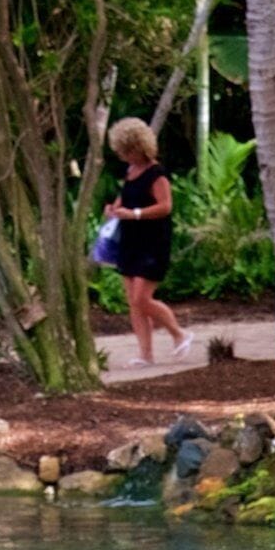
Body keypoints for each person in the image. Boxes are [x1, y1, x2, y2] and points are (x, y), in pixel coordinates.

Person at [103, 119, 183, 369]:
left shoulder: (156, 174)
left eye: (127, 151)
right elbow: (124, 197)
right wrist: (114, 209)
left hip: (152, 241)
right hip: (130, 240)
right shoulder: (130, 172)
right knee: (133, 302)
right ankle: (145, 354)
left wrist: (135, 214)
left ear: (139, 148)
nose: (123, 156)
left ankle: (178, 333)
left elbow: (165, 206)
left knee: (142, 298)